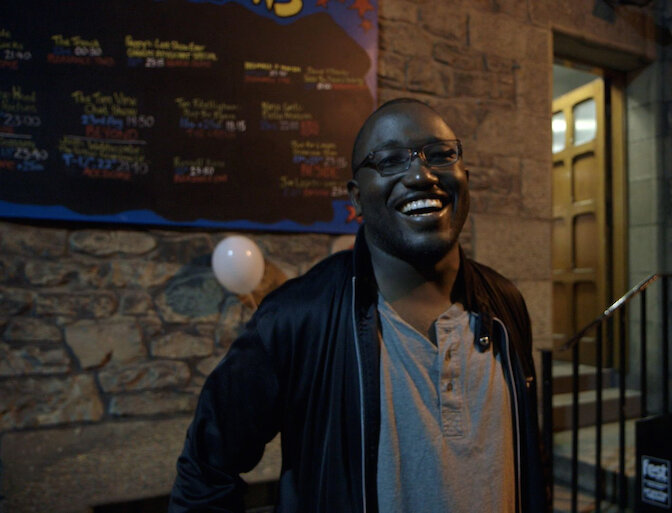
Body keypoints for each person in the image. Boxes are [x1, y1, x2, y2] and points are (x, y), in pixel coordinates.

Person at [168, 98, 546, 513]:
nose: (421, 175)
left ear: (464, 178)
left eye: (440, 155)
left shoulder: (504, 305)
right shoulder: (297, 318)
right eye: (390, 160)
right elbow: (205, 473)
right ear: (357, 199)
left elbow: (528, 461)